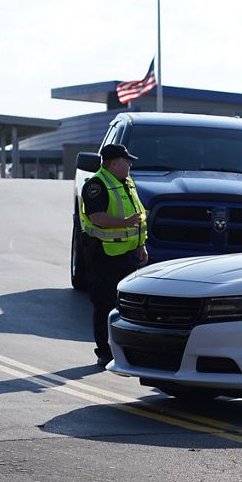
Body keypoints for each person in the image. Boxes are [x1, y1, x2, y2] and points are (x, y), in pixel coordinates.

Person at [79, 143, 148, 365]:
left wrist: (141, 245)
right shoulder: (96, 185)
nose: (129, 164)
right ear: (112, 163)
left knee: (127, 305)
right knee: (104, 303)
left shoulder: (126, 182)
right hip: (104, 255)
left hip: (127, 254)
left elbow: (137, 218)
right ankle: (104, 351)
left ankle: (124, 350)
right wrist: (124, 223)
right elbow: (97, 217)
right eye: (126, 160)